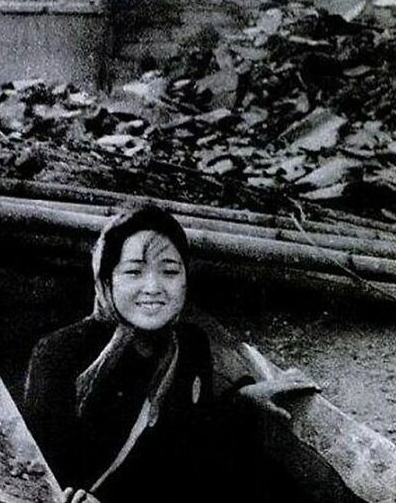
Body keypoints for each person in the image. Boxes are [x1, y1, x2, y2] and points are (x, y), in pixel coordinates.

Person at [24, 205, 317, 503]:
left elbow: (188, 438)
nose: (153, 287)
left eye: (169, 271)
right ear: (107, 280)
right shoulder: (60, 354)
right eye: (134, 272)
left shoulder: (190, 345)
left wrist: (241, 399)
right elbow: (39, 464)